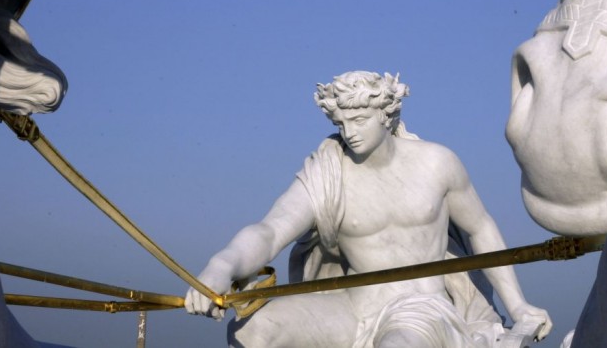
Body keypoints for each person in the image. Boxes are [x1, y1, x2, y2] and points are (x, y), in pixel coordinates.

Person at [185, 71, 552, 347]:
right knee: (254, 328)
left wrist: (517, 306)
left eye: (359, 120)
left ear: (386, 115)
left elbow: (480, 229)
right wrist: (219, 268)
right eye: (341, 123)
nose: (349, 133)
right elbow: (270, 232)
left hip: (421, 310)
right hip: (352, 308)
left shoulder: (437, 164)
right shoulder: (328, 171)